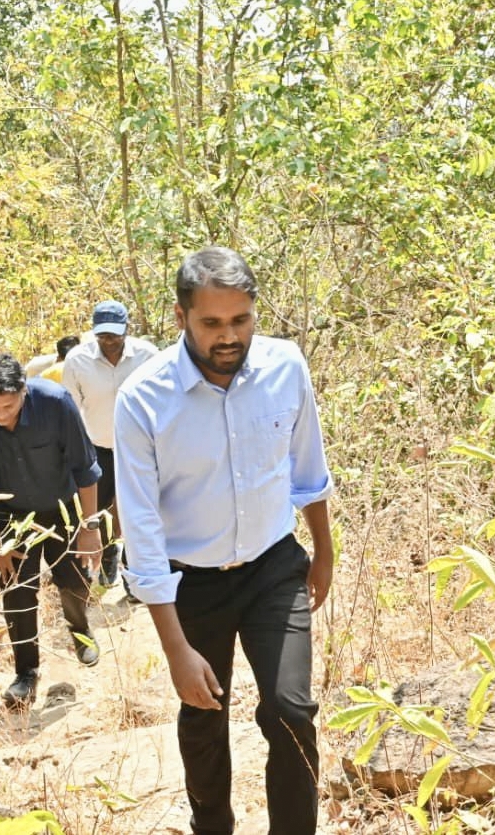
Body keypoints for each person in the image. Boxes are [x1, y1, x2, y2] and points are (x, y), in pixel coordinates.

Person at [114, 247, 335, 835]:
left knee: (291, 712)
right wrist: (174, 649)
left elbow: (307, 466)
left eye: (240, 320)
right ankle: (212, 824)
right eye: (212, 323)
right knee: (203, 714)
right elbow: (141, 529)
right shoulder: (143, 399)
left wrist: (324, 552)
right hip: (192, 584)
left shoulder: (285, 366)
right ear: (181, 316)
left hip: (273, 570)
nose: (228, 336)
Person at [0, 353, 106, 708]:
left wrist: (90, 525)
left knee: (74, 579)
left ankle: (81, 633)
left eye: (10, 405)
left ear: (24, 391)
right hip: (11, 516)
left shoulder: (55, 404)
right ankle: (26, 672)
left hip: (62, 507)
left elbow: (85, 467)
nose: (1, 414)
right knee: (17, 592)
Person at [61, 300, 158, 588]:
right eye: (102, 335)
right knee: (99, 507)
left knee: (141, 508)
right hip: (96, 447)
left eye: (114, 335)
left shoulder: (148, 356)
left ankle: (134, 570)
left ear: (127, 330)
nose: (109, 341)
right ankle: (108, 555)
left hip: (140, 447)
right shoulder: (77, 360)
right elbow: (71, 409)